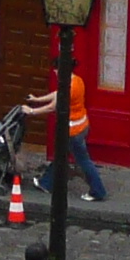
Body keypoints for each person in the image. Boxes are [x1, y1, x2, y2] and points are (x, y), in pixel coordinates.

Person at [21, 69, 108, 202]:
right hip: (82, 125)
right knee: (60, 155)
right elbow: (56, 94)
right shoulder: (77, 80)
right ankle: (46, 183)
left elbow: (52, 107)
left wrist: (32, 111)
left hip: (72, 131)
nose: (56, 74)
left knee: (83, 161)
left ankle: (98, 191)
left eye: (57, 71)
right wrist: (37, 99)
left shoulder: (69, 88)